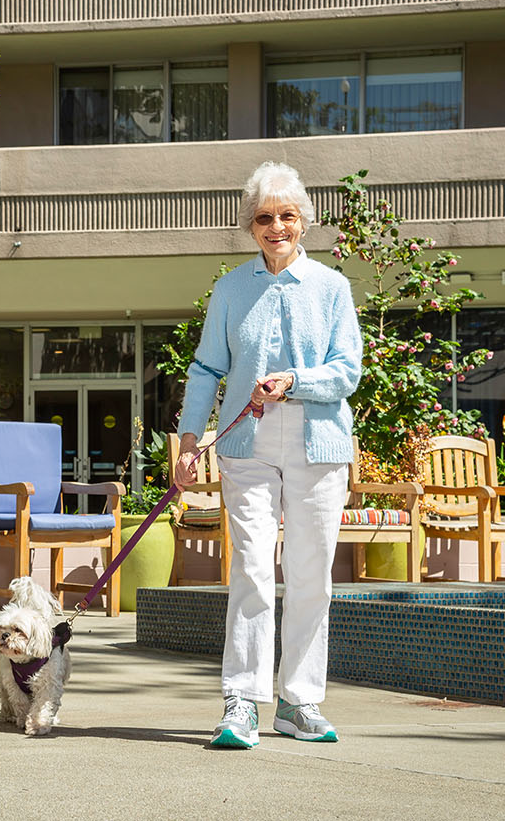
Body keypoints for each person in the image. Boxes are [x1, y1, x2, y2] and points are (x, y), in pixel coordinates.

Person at [174, 160, 362, 749]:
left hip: (319, 444)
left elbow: (347, 371)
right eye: (263, 217)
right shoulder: (232, 288)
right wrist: (187, 439)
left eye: (286, 216)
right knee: (252, 568)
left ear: (304, 221)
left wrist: (294, 381)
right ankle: (242, 700)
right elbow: (206, 367)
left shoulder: (332, 287)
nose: (275, 227)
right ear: (250, 225)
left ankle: (299, 701)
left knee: (311, 576)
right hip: (245, 447)